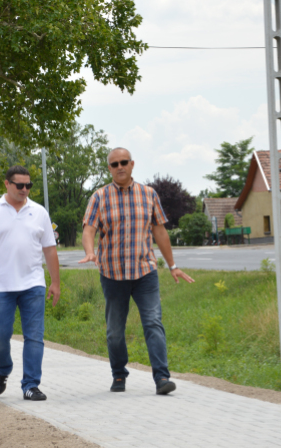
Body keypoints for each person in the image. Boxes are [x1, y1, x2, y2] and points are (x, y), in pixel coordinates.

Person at [80, 147, 195, 395]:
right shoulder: (99, 197)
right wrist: (90, 251)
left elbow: (160, 232)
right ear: (109, 168)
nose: (119, 167)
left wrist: (172, 265)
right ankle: (119, 374)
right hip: (112, 274)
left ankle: (162, 378)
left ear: (132, 164)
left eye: (124, 162)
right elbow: (89, 229)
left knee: (153, 322)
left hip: (145, 272)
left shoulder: (148, 194)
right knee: (114, 332)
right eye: (114, 164)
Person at [0, 165, 61, 401]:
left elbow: (50, 250)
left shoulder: (39, 211)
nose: (24, 189)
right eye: (19, 185)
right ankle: (3, 370)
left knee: (34, 336)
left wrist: (55, 283)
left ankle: (30, 384)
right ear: (6, 184)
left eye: (28, 185)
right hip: (0, 287)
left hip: (33, 285)